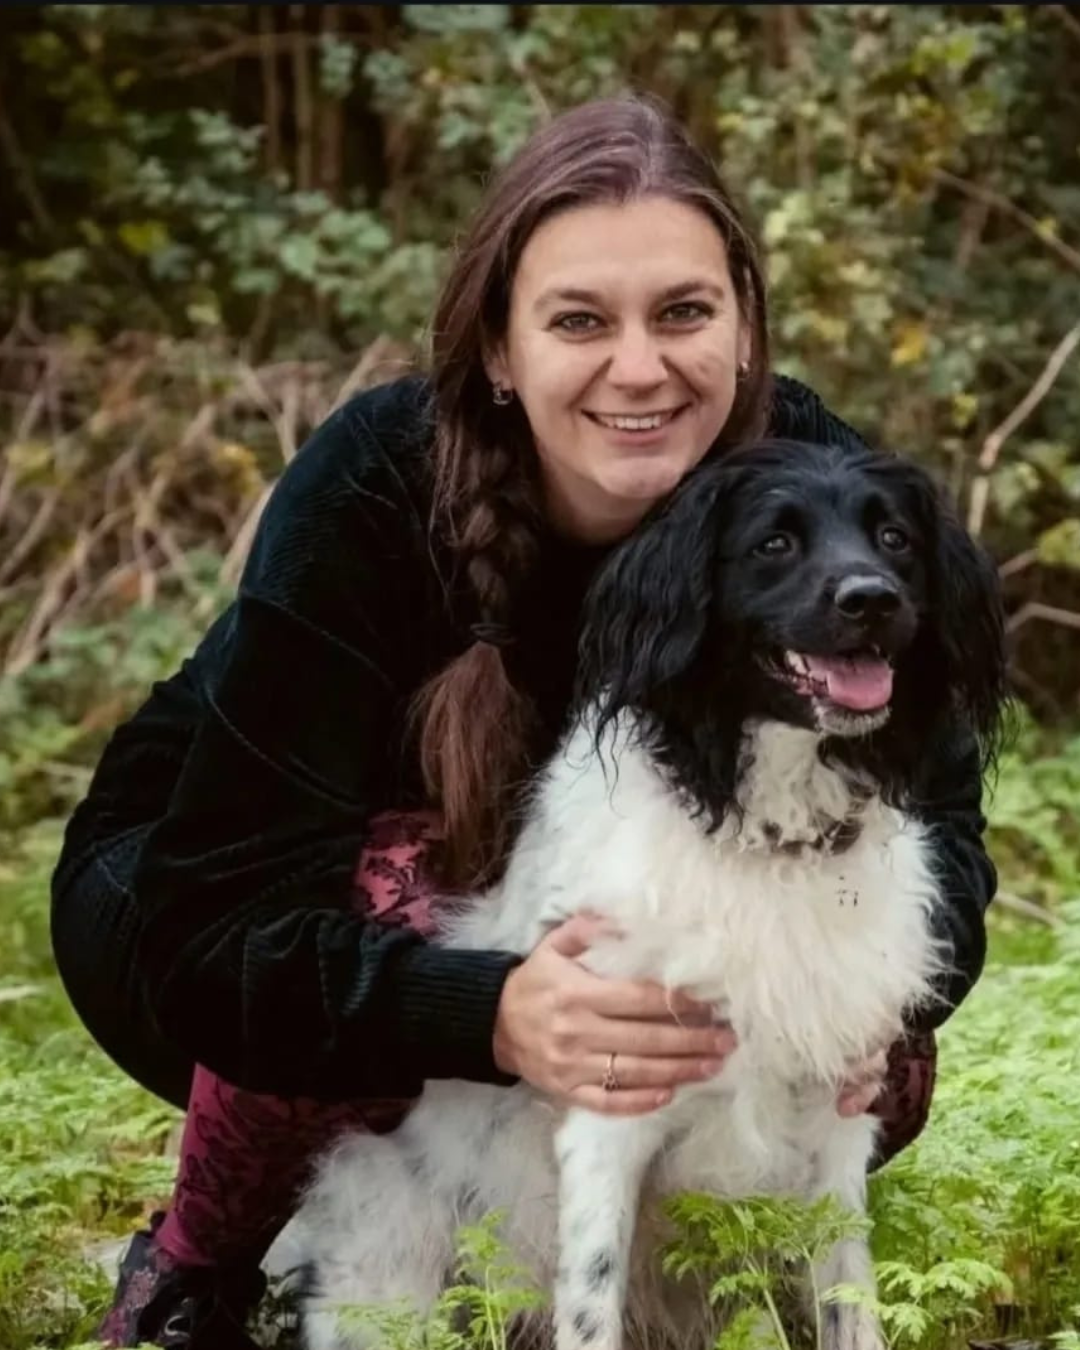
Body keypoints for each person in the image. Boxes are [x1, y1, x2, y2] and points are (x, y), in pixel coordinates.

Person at [50, 94, 994, 1350]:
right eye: (579, 321)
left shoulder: (817, 489)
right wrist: (489, 1011)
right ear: (500, 350)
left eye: (685, 313)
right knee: (402, 891)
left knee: (872, 1038)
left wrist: (895, 1013)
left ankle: (607, 1278)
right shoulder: (375, 487)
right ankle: (197, 1270)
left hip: (564, 894)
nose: (642, 367)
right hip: (189, 908)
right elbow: (213, 924)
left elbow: (940, 831)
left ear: (747, 327)